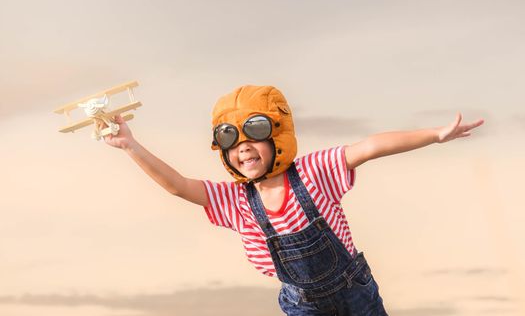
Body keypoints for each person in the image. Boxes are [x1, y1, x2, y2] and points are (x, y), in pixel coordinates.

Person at [104, 85, 484, 315]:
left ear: (278, 136)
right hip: (302, 305)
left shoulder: (314, 171)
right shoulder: (234, 198)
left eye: (254, 133)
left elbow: (369, 147)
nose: (244, 149)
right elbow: (178, 186)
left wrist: (435, 134)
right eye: (231, 142)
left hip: (354, 291)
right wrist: (130, 146)